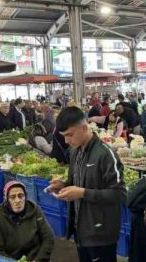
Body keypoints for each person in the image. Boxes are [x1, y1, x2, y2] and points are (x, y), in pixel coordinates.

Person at [49, 107, 126, 262]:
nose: (66, 141)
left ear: (84, 128)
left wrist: (83, 193)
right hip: (81, 230)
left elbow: (120, 194)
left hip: (101, 235)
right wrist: (64, 185)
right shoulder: (74, 152)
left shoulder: (105, 154)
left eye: (69, 135)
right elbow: (78, 183)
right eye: (63, 136)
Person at [0, 180, 54, 261]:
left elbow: (48, 238)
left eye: (21, 196)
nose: (17, 200)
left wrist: (37, 260)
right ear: (6, 200)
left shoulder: (35, 210)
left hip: (35, 258)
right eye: (12, 197)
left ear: (25, 197)